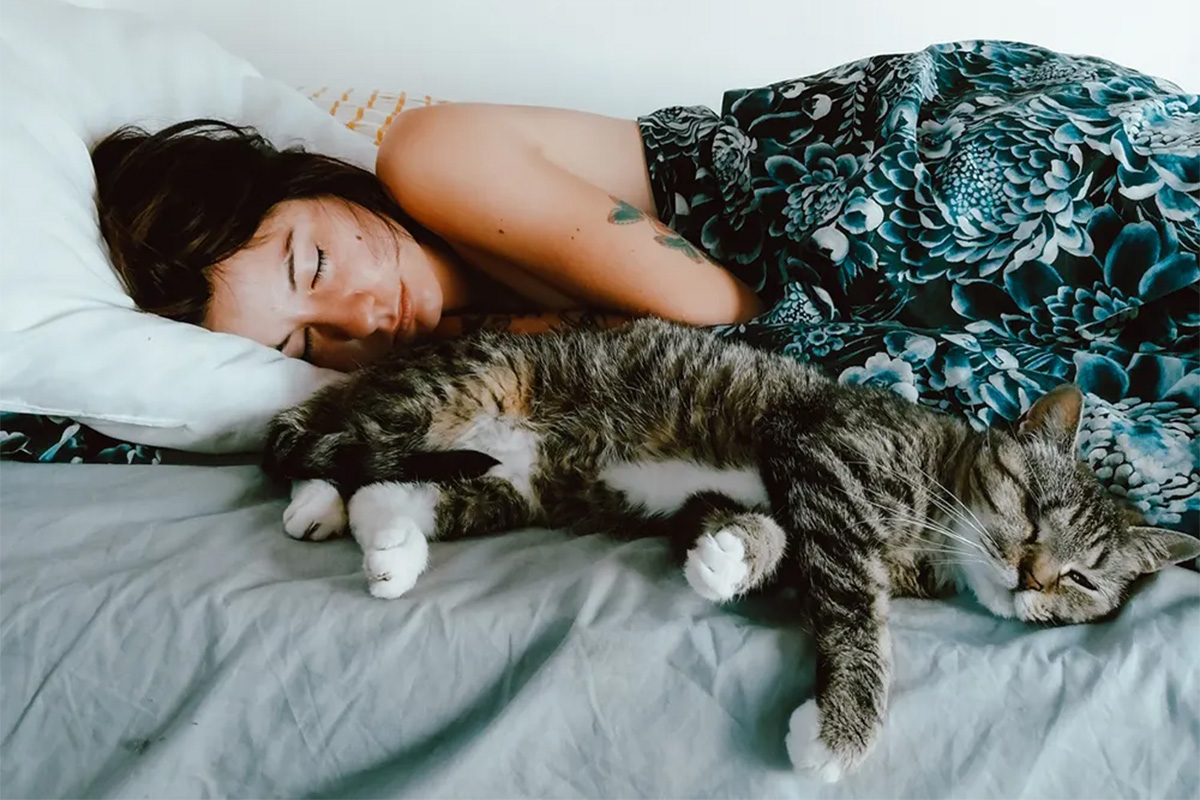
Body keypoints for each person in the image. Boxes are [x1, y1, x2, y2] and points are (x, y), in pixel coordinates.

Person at [93, 40, 1198, 532]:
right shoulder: (449, 365)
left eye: (312, 265)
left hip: (909, 177)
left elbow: (715, 313)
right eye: (298, 345)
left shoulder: (427, 153)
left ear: (310, 185)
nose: (353, 320)